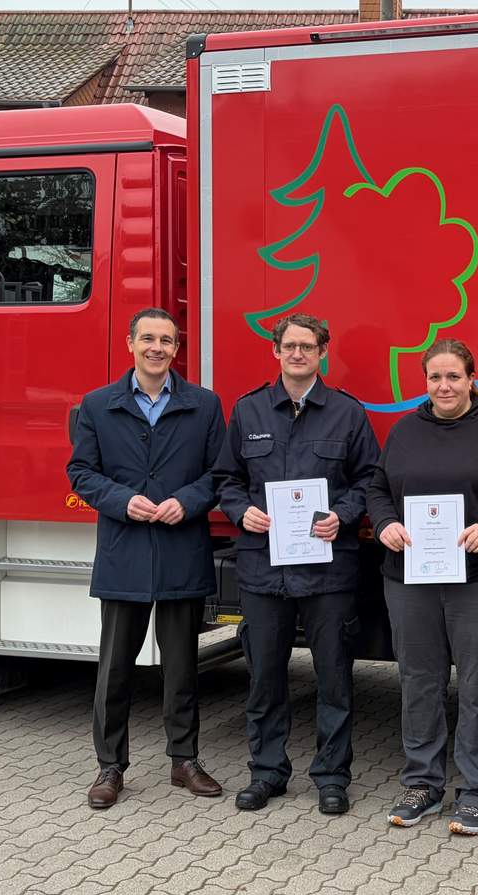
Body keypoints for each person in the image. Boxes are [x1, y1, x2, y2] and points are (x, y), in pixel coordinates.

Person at [366, 339, 478, 836]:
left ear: (470, 379)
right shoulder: (405, 431)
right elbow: (376, 489)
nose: (444, 386)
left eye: (453, 377)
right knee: (419, 682)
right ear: (424, 382)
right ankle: (422, 783)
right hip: (411, 579)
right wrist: (384, 525)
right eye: (435, 378)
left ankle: (477, 790)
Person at [214, 313, 381, 816]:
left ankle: (332, 776)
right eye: (289, 345)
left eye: (308, 346)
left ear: (323, 353)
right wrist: (244, 513)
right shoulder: (248, 412)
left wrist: (343, 516)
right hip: (264, 570)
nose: (298, 354)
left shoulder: (348, 415)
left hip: (328, 571)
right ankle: (267, 773)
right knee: (265, 676)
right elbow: (226, 480)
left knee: (333, 677)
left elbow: (370, 480)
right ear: (276, 351)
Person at [67, 307, 227, 809]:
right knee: (115, 667)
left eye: (167, 340)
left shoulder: (204, 405)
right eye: (149, 339)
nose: (158, 348)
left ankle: (184, 761)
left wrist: (190, 501)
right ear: (130, 344)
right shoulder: (98, 405)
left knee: (181, 666)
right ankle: (110, 767)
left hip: (181, 549)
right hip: (125, 551)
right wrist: (120, 501)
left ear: (177, 350)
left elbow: (220, 474)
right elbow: (81, 473)